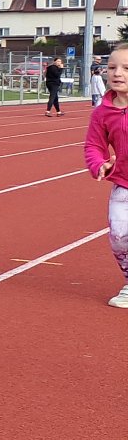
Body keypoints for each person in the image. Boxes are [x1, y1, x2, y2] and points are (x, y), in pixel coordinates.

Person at [82, 42, 128, 307]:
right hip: (123, 184)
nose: (117, 73)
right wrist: (98, 164)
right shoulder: (102, 112)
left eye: (126, 68)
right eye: (112, 67)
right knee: (119, 238)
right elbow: (93, 146)